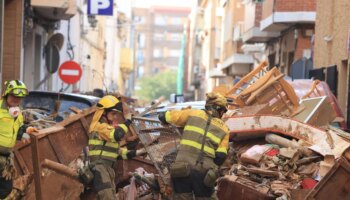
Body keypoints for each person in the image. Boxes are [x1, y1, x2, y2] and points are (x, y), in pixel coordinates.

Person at [158, 92, 230, 200]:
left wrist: (164, 116)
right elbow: (220, 156)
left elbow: (164, 116)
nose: (222, 114)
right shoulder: (224, 129)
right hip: (204, 173)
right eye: (223, 111)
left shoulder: (193, 113)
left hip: (181, 167)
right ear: (219, 109)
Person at [88, 95, 138, 200]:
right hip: (100, 168)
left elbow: (112, 150)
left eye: (116, 114)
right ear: (103, 112)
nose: (115, 117)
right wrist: (127, 121)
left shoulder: (106, 128)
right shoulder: (100, 127)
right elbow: (117, 135)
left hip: (107, 169)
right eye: (113, 113)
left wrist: (129, 153)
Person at [0, 80, 36, 199]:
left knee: (6, 189)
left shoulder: (17, 113)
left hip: (6, 158)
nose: (16, 100)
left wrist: (26, 130)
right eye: (14, 96)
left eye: (19, 97)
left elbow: (18, 128)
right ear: (7, 94)